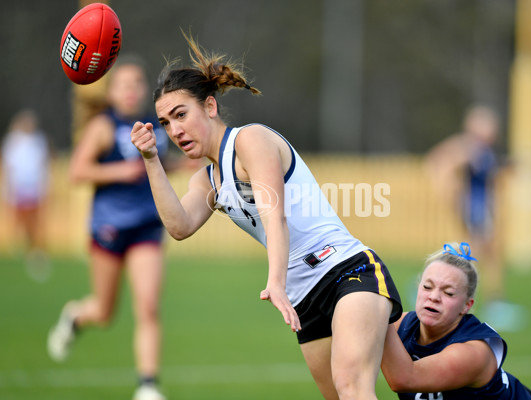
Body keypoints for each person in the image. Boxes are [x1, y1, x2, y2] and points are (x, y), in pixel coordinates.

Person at [129, 33, 402, 400]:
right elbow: (178, 226)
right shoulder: (208, 179)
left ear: (210, 106)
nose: (175, 130)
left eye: (181, 115)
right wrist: (150, 160)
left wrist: (274, 281)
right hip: (303, 297)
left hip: (345, 270)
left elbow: (276, 216)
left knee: (353, 386)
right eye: (165, 123)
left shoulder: (250, 140)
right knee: (357, 392)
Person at [47, 56, 171, 400]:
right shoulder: (103, 125)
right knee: (104, 312)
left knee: (148, 306)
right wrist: (119, 172)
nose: (131, 91)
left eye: (137, 84)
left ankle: (147, 386)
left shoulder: (153, 125)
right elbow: (76, 171)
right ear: (112, 90)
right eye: (124, 84)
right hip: (109, 229)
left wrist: (181, 163)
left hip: (147, 226)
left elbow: (158, 164)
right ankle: (74, 316)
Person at [381, 242, 531, 399]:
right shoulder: (401, 326)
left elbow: (405, 379)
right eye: (427, 287)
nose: (434, 297)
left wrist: (380, 311)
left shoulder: (473, 352)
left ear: (466, 305)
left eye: (448, 293)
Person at [425, 105, 525, 331]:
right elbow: (440, 163)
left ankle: (484, 299)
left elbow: (488, 173)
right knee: (474, 254)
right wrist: (450, 191)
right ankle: (445, 291)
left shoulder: (483, 150)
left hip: (481, 207)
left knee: (482, 254)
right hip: (475, 208)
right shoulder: (468, 147)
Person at [1, 109, 51, 281]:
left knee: (35, 222)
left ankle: (35, 253)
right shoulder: (12, 142)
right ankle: (20, 251)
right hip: (19, 189)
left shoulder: (38, 141)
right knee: (19, 221)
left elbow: (43, 164)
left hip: (34, 189)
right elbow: (7, 166)